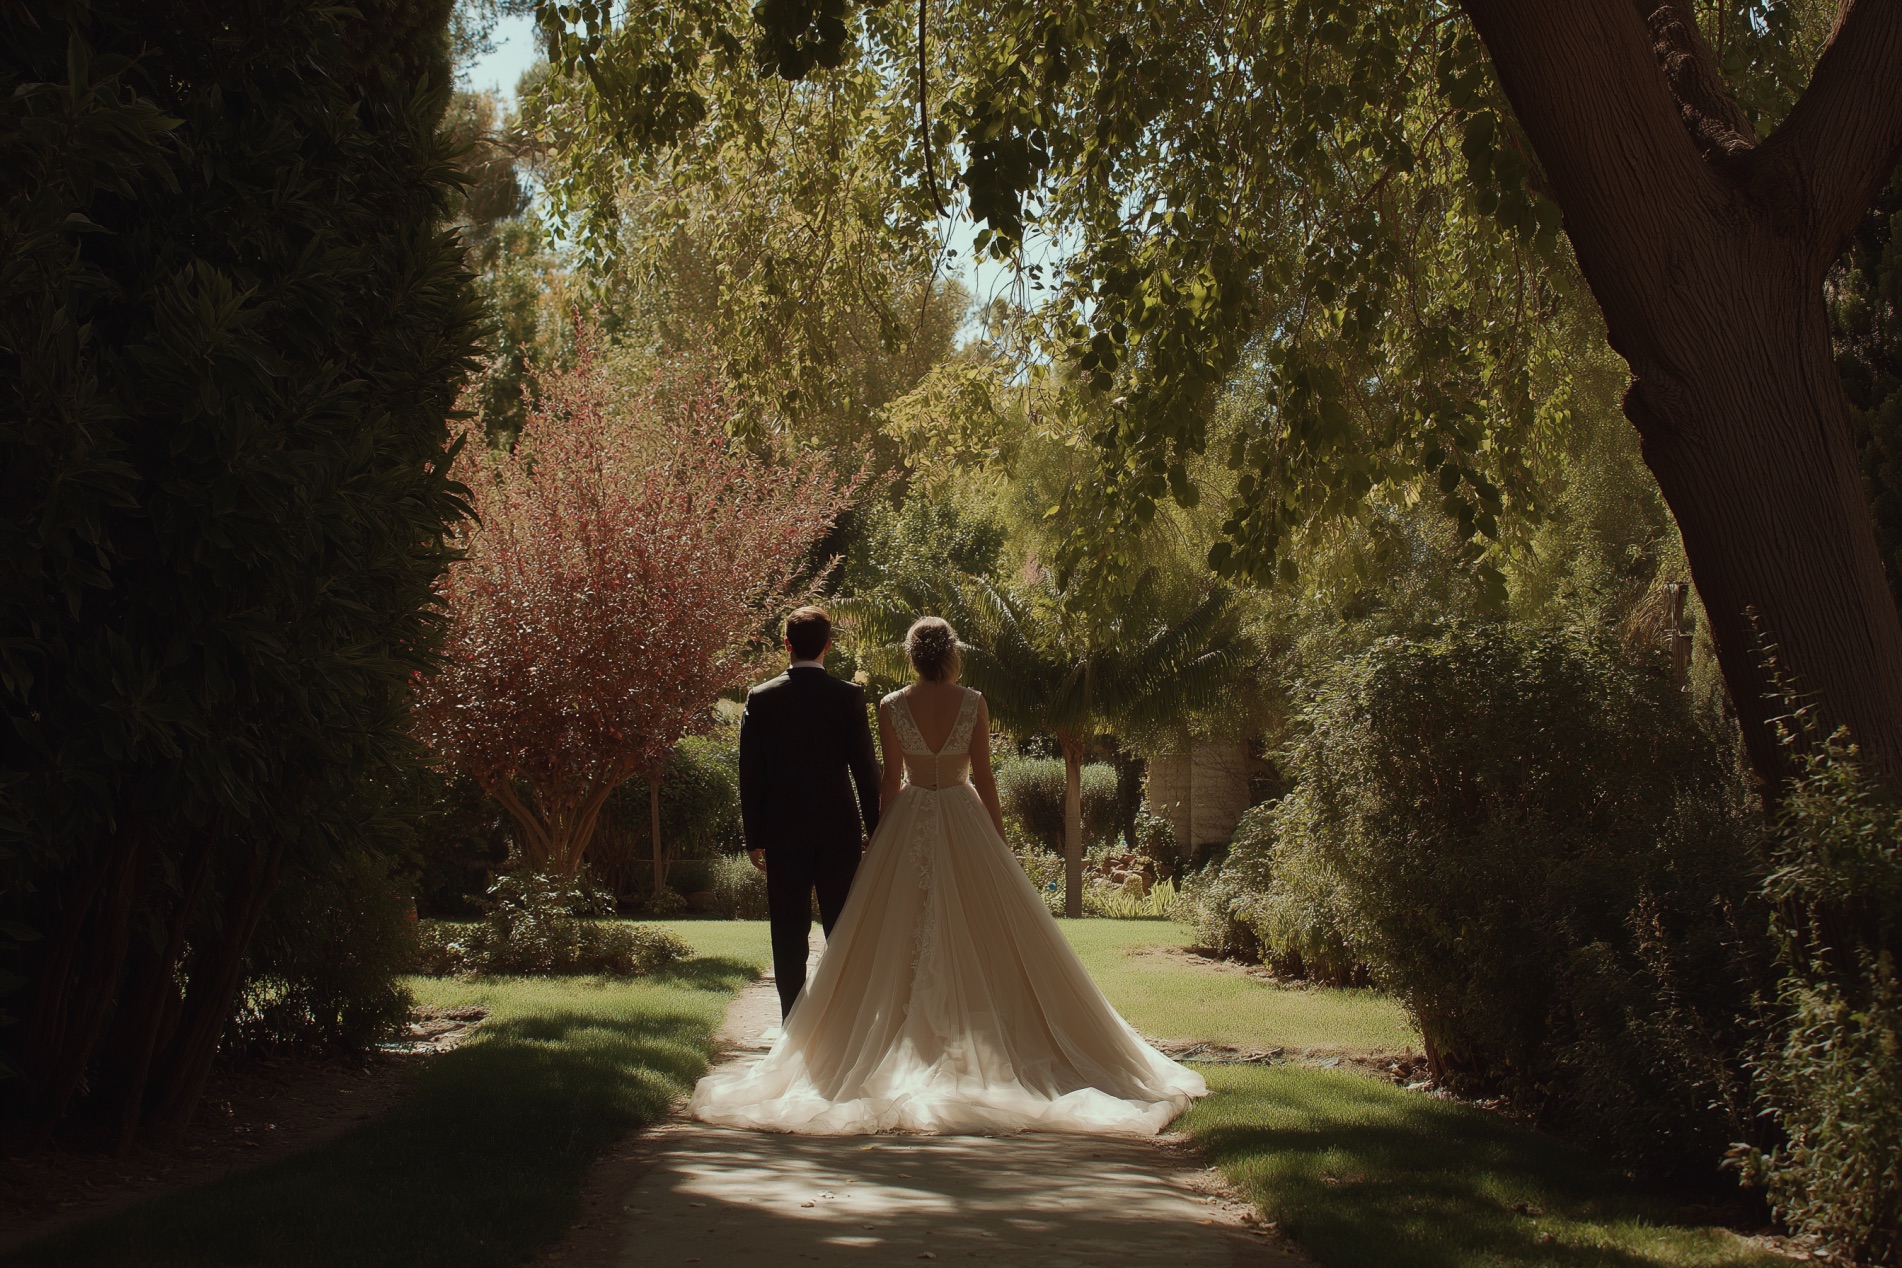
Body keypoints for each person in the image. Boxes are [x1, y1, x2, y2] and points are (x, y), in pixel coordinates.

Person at [691, 615, 1206, 1134]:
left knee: (882, 939)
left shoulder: (890, 706)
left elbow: (888, 782)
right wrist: (998, 841)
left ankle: (833, 1038)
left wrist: (883, 839)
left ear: (912, 656)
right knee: (985, 935)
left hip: (907, 818)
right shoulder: (973, 702)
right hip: (963, 816)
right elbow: (983, 778)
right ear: (951, 653)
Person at [737, 605, 882, 1019]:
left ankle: (792, 1024)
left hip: (783, 833)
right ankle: (843, 1024)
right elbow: (866, 772)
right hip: (838, 831)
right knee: (843, 929)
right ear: (828, 647)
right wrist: (878, 828)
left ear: (786, 644)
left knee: (787, 932)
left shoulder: (761, 698)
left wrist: (755, 837)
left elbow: (751, 773)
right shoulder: (848, 697)